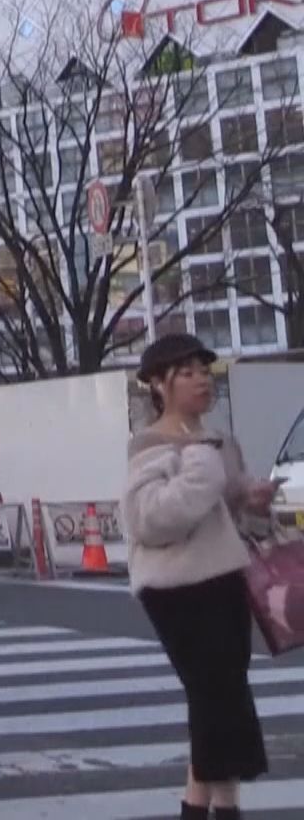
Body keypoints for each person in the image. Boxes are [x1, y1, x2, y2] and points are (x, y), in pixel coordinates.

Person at [122, 334, 272, 820]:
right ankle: (213, 809)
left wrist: (250, 500)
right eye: (186, 373)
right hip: (177, 589)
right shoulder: (150, 445)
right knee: (215, 697)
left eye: (204, 371)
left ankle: (214, 806)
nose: (201, 380)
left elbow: (224, 514)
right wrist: (203, 470)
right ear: (158, 384)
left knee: (221, 699)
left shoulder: (219, 441)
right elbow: (150, 520)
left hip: (226, 578)